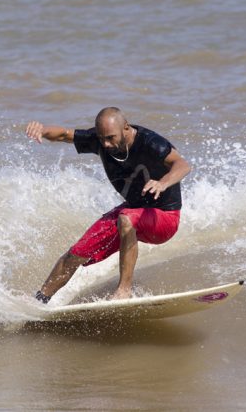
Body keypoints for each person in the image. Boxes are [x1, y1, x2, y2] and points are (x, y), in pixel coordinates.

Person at [25, 107, 191, 303]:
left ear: (126, 128)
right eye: (102, 138)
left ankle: (124, 290)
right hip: (131, 211)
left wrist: (163, 183)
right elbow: (64, 135)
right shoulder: (101, 141)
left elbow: (182, 164)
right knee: (76, 253)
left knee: (127, 218)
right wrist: (42, 131)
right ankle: (40, 299)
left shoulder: (150, 142)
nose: (106, 144)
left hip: (163, 217)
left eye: (111, 138)